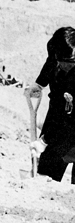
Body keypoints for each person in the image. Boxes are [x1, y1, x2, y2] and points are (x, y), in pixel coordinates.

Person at [28, 27, 75, 182]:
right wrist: (39, 84)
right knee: (46, 166)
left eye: (69, 61)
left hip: (72, 122)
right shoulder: (56, 49)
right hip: (61, 112)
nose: (60, 65)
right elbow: (50, 63)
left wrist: (44, 141)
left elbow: (69, 121)